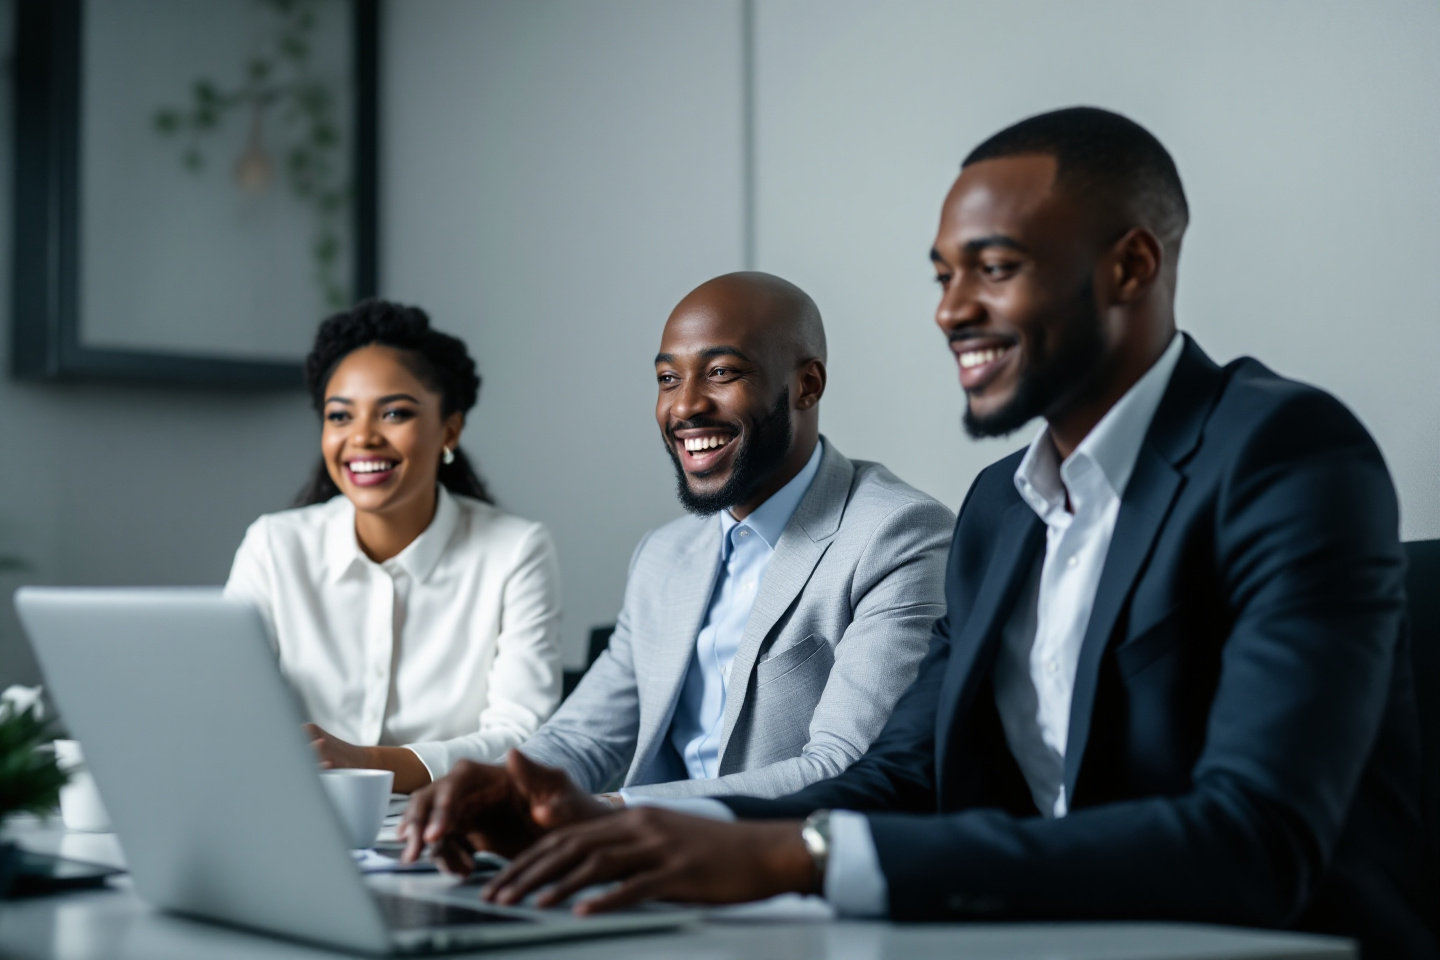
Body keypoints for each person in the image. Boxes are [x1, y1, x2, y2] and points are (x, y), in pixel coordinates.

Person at [401, 110, 1435, 959]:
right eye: (942, 274)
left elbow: (1253, 838)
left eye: (993, 268)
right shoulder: (1002, 508)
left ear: (1129, 266)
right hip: (1049, 938)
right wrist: (645, 827)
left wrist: (804, 858)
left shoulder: (1285, 453)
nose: (951, 310)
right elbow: (902, 774)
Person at [398, 272, 953, 827]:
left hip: (777, 874)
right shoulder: (664, 557)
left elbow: (843, 769)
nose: (684, 406)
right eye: (668, 378)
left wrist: (609, 810)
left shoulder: (897, 535)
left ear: (806, 385)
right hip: (638, 866)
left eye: (721, 373)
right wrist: (496, 791)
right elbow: (584, 737)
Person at [225, 300, 562, 793]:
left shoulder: (516, 550)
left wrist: (365, 762)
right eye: (339, 416)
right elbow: (226, 704)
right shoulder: (274, 546)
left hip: (444, 825)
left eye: (394, 413)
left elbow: (522, 738)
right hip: (295, 812)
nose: (362, 437)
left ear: (450, 428)